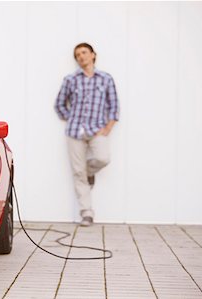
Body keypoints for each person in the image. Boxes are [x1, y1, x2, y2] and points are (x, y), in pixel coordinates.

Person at [54, 42, 120, 227]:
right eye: (77, 55)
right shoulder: (70, 79)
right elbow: (59, 104)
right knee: (78, 173)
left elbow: (114, 107)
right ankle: (87, 213)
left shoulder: (106, 79)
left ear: (93, 54)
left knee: (103, 158)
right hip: (74, 132)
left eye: (84, 52)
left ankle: (89, 172)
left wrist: (108, 128)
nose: (81, 56)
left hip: (97, 129)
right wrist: (70, 118)